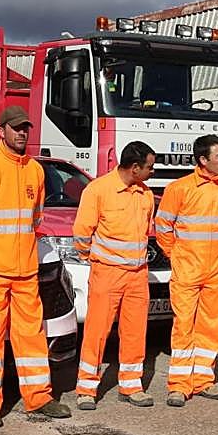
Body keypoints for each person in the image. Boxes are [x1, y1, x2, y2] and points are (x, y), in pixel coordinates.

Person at [0, 106, 71, 426]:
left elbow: (35, 220)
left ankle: (38, 397)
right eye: (16, 128)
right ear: (2, 132)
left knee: (32, 336)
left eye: (26, 128)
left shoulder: (35, 171)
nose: (22, 133)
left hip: (25, 269)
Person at [72, 141, 157, 410]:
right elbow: (82, 233)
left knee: (135, 332)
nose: (152, 171)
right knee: (97, 332)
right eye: (150, 167)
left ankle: (131, 385)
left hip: (137, 274)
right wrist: (92, 259)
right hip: (107, 273)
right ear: (135, 168)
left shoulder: (145, 195)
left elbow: (145, 232)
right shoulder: (98, 190)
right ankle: (86, 388)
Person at [155, 134, 218, 407]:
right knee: (183, 326)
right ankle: (179, 385)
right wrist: (177, 256)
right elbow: (163, 228)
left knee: (211, 326)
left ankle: (203, 380)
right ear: (203, 160)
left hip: (216, 270)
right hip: (187, 269)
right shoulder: (179, 189)